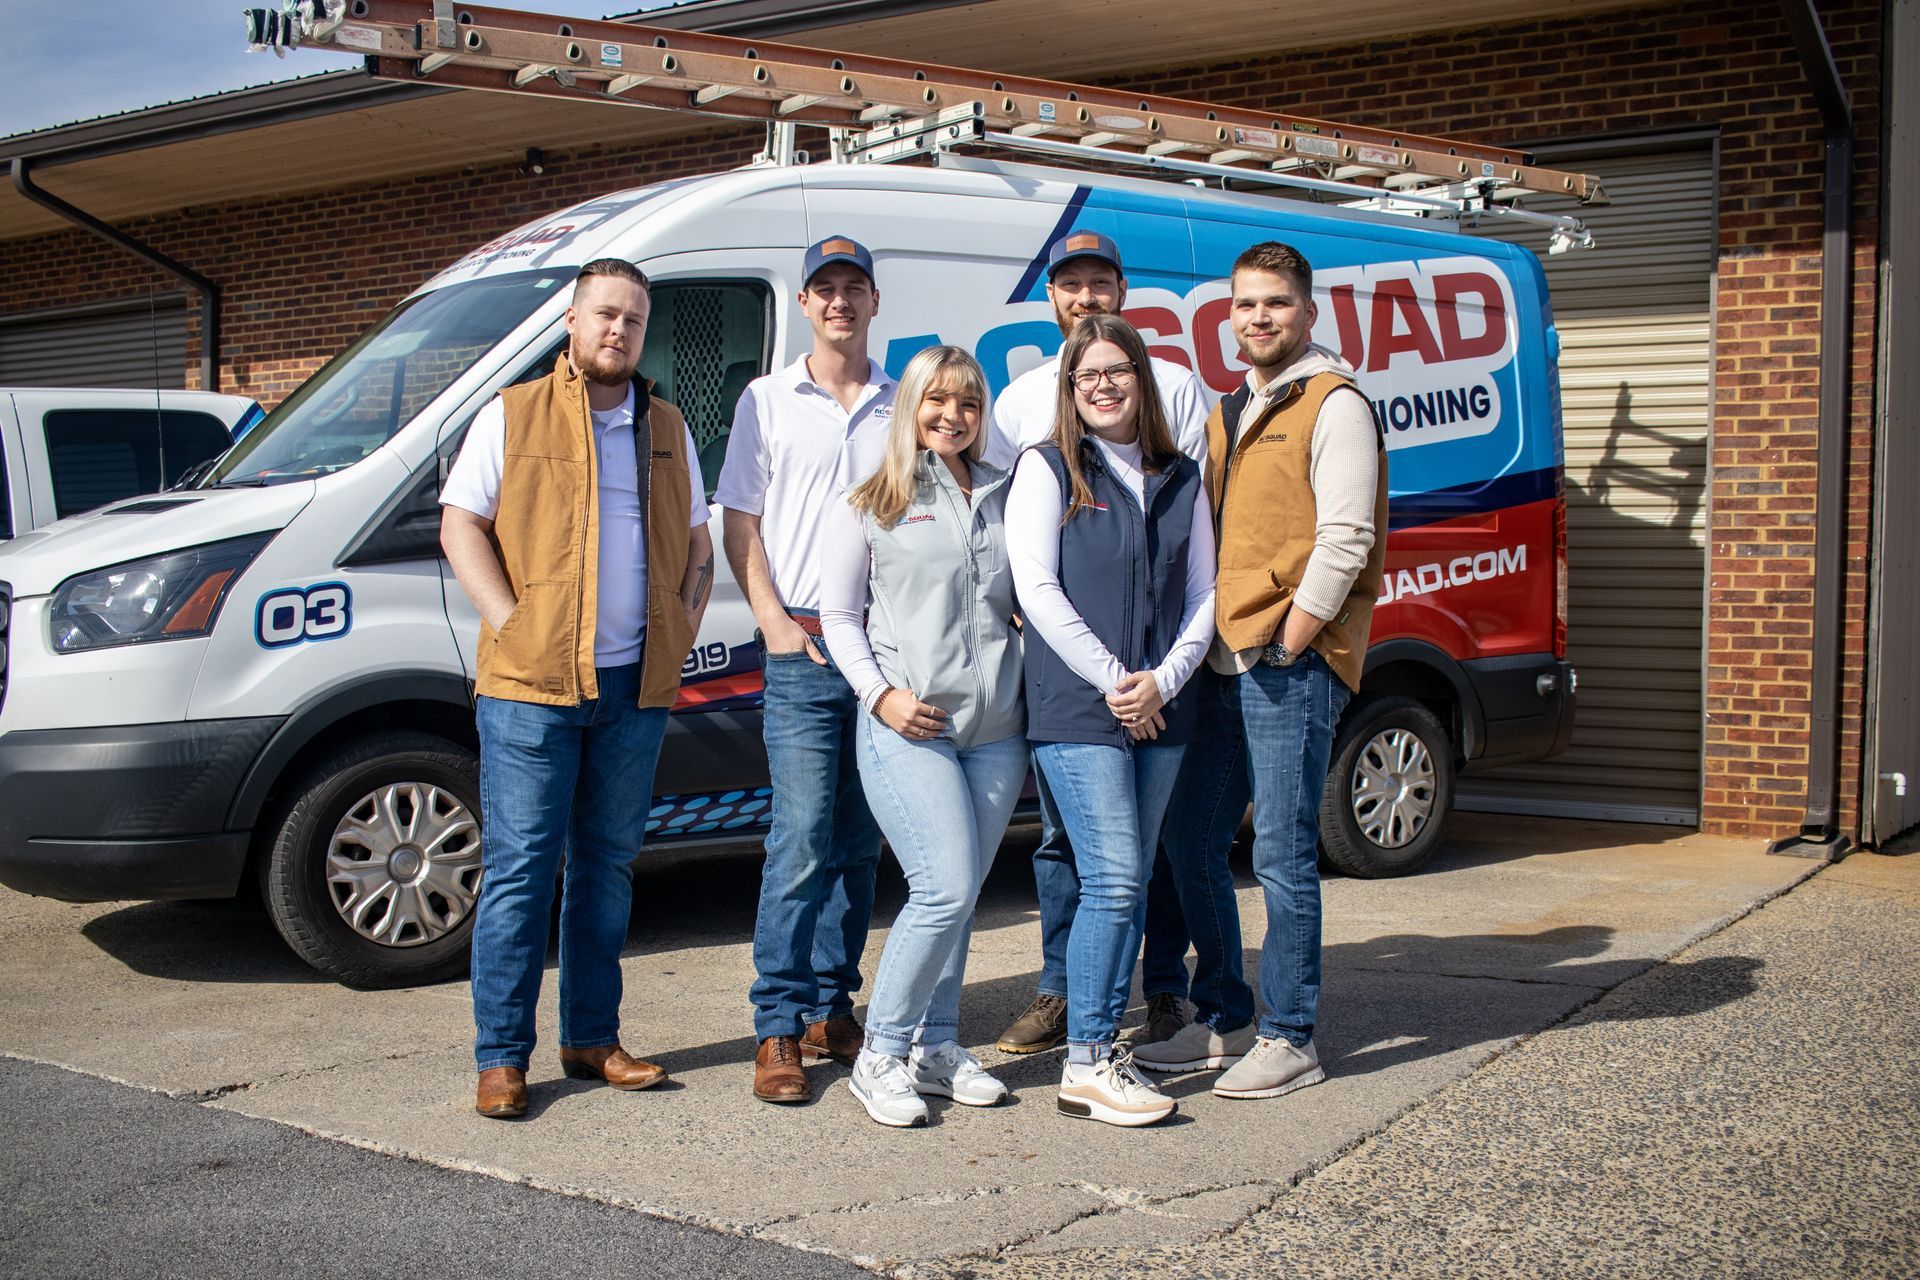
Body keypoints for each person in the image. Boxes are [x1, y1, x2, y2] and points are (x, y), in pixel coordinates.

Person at [440, 257, 715, 1120]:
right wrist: (510, 618)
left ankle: (592, 1037)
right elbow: (461, 525)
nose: (617, 332)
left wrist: (681, 622)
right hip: (532, 684)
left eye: (632, 320)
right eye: (603, 315)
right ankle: (502, 1057)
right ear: (570, 320)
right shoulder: (512, 414)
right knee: (523, 869)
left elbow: (699, 548)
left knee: (607, 869)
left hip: (635, 686)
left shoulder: (666, 425)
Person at [1134, 241, 1387, 1099]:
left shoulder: (1335, 403)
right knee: (1191, 838)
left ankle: (1291, 1035)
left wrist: (1295, 635)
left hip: (1285, 662)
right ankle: (1229, 1014)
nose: (1259, 318)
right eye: (1245, 305)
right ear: (1228, 316)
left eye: (1276, 303)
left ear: (1307, 312)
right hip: (1220, 659)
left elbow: (1346, 536)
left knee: (1280, 853)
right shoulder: (1232, 406)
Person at [987, 230, 1212, 1059]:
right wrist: (1102, 667)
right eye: (1069, 284)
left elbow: (1193, 542)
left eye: (1099, 283)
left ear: (1124, 290)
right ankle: (1067, 998)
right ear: (1052, 298)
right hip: (1078, 681)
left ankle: (1163, 995)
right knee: (1070, 847)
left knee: (1155, 847)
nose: (1086, 297)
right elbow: (1019, 547)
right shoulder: (1021, 404)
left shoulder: (1180, 391)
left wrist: (1161, 677)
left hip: (1162, 679)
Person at [819, 346, 1026, 1128]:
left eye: (967, 403)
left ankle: (936, 1046)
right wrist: (881, 697)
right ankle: (881, 1054)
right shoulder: (872, 499)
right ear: (910, 406)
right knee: (940, 888)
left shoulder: (1006, 496)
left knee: (964, 894)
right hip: (910, 725)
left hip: (996, 730)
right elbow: (837, 619)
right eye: (936, 400)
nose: (952, 415)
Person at [716, 236, 897, 1104]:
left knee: (860, 846)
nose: (838, 302)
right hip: (804, 648)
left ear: (873, 301)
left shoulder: (904, 402)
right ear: (804, 304)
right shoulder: (767, 399)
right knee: (798, 843)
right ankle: (778, 1027)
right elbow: (739, 521)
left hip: (884, 653)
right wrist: (774, 624)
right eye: (824, 289)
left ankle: (833, 1008)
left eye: (852, 287)